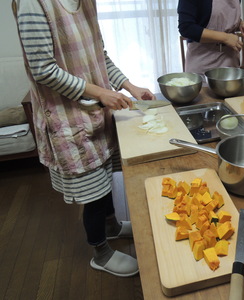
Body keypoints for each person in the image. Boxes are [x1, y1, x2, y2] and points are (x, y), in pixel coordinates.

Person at [13, 0, 156, 277]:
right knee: (93, 192)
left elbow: (100, 55)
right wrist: (99, 92)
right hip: (67, 118)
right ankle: (100, 253)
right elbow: (43, 69)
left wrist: (129, 85)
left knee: (104, 180)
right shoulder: (34, 4)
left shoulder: (86, 3)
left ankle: (112, 227)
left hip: (96, 112)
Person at [177, 0, 244, 75]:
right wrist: (225, 38)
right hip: (203, 60)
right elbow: (186, 28)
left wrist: (240, 23)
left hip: (230, 60)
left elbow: (223, 19)